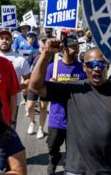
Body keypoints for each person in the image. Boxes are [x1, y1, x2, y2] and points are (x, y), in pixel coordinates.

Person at [29, 40, 111, 174]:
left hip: (109, 170)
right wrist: (46, 54)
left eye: (101, 64)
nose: (96, 68)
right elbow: (35, 87)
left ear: (107, 66)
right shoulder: (73, 89)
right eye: (91, 64)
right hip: (75, 170)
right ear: (84, 67)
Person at [45, 35, 87, 174]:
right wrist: (50, 85)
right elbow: (42, 91)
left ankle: (68, 167)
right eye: (73, 46)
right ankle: (53, 159)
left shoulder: (82, 69)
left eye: (78, 46)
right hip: (56, 118)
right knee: (52, 146)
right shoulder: (53, 67)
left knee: (73, 150)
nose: (77, 49)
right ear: (64, 49)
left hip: (75, 119)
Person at [0, 29, 31, 124]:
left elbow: (28, 79)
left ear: (12, 41)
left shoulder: (20, 59)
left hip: (13, 102)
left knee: (9, 129)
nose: (4, 41)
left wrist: (19, 87)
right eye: (1, 38)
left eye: (7, 38)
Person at [25, 35, 51, 139]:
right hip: (34, 84)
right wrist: (25, 80)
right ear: (39, 42)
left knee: (43, 107)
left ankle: (41, 129)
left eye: (46, 41)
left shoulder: (52, 54)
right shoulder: (34, 52)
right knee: (30, 106)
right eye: (43, 41)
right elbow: (27, 66)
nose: (44, 43)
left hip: (46, 83)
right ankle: (32, 122)